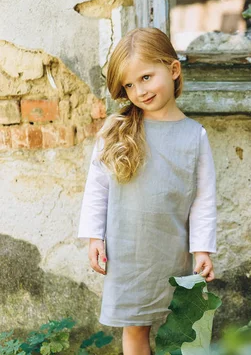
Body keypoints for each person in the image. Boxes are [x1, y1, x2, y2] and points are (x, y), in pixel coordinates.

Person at [77, 27, 217, 355]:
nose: (139, 90)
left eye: (145, 77)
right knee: (135, 331)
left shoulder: (194, 136)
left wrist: (202, 251)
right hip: (129, 254)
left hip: (176, 252)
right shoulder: (117, 131)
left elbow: (203, 200)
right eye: (129, 84)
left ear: (173, 69)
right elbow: (97, 188)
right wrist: (94, 237)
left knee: (186, 335)